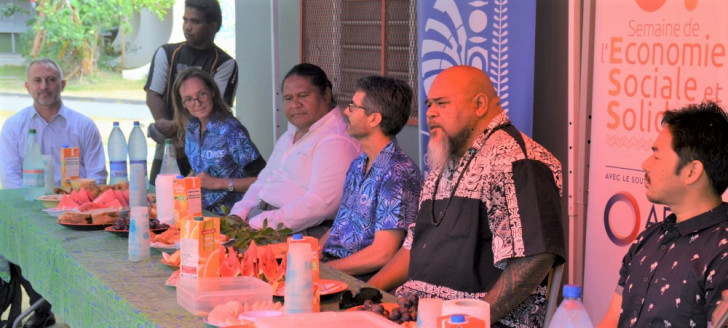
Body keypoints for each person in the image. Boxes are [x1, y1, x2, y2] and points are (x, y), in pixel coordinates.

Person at [368, 65, 565, 327]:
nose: (431, 113)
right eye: (428, 105)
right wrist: (367, 291)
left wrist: (472, 320)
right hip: (416, 313)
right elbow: (413, 247)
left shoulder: (517, 160)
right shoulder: (444, 159)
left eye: (442, 104)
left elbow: (534, 257)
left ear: (480, 105)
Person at [597, 102, 728, 328]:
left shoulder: (722, 252)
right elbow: (611, 321)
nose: (645, 164)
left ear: (691, 171)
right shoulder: (649, 239)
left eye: (657, 156)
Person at [0, 58, 108, 327]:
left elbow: (97, 177)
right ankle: (41, 306)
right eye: (37, 80)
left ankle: (80, 309)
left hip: (76, 214)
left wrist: (72, 204)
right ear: (27, 86)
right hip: (30, 212)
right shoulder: (14, 127)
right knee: (16, 245)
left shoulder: (83, 126)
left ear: (63, 84)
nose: (44, 86)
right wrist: (36, 208)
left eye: (50, 80)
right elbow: (11, 179)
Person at [229, 63, 361, 237]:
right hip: (262, 224)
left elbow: (320, 205)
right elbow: (263, 181)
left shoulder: (336, 140)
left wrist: (257, 224)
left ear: (326, 94)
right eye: (288, 98)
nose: (295, 104)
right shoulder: (290, 134)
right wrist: (238, 214)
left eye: (303, 96)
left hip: (298, 233)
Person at [319, 76, 423, 280]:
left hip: (363, 279)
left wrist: (323, 270)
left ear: (374, 119)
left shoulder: (398, 173)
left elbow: (382, 254)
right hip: (332, 267)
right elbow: (340, 225)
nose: (345, 111)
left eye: (353, 107)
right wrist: (309, 256)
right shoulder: (359, 163)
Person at [144, 0, 238, 185]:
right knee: (159, 202)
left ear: (213, 26)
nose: (187, 27)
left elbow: (214, 108)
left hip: (208, 152)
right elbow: (153, 96)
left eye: (195, 22)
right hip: (168, 150)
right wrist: (174, 137)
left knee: (202, 208)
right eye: (185, 20)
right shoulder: (166, 52)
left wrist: (177, 129)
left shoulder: (225, 64)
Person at [171, 67, 265, 214]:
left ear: (212, 92)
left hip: (231, 219)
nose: (197, 102)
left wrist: (219, 183)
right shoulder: (192, 128)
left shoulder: (231, 130)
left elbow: (263, 180)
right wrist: (181, 185)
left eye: (202, 94)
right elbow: (200, 169)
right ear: (182, 103)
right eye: (189, 99)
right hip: (199, 213)